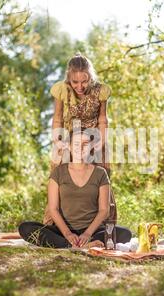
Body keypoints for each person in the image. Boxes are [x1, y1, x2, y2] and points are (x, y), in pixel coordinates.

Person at [19, 130, 132, 248]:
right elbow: (53, 209)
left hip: (93, 231)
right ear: (69, 146)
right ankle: (71, 244)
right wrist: (68, 234)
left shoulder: (100, 173)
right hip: (63, 232)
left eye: (85, 144)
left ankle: (79, 243)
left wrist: (87, 234)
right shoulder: (58, 172)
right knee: (25, 228)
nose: (81, 147)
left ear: (91, 147)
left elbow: (104, 210)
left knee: (125, 233)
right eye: (77, 144)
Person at [43, 52, 118, 226]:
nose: (80, 86)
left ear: (90, 77)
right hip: (70, 138)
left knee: (102, 173)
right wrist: (58, 140)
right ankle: (54, 223)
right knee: (58, 171)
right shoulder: (62, 90)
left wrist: (101, 142)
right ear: (69, 78)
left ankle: (105, 225)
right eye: (75, 82)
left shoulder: (101, 91)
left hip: (94, 137)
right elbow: (57, 118)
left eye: (84, 81)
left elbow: (102, 119)